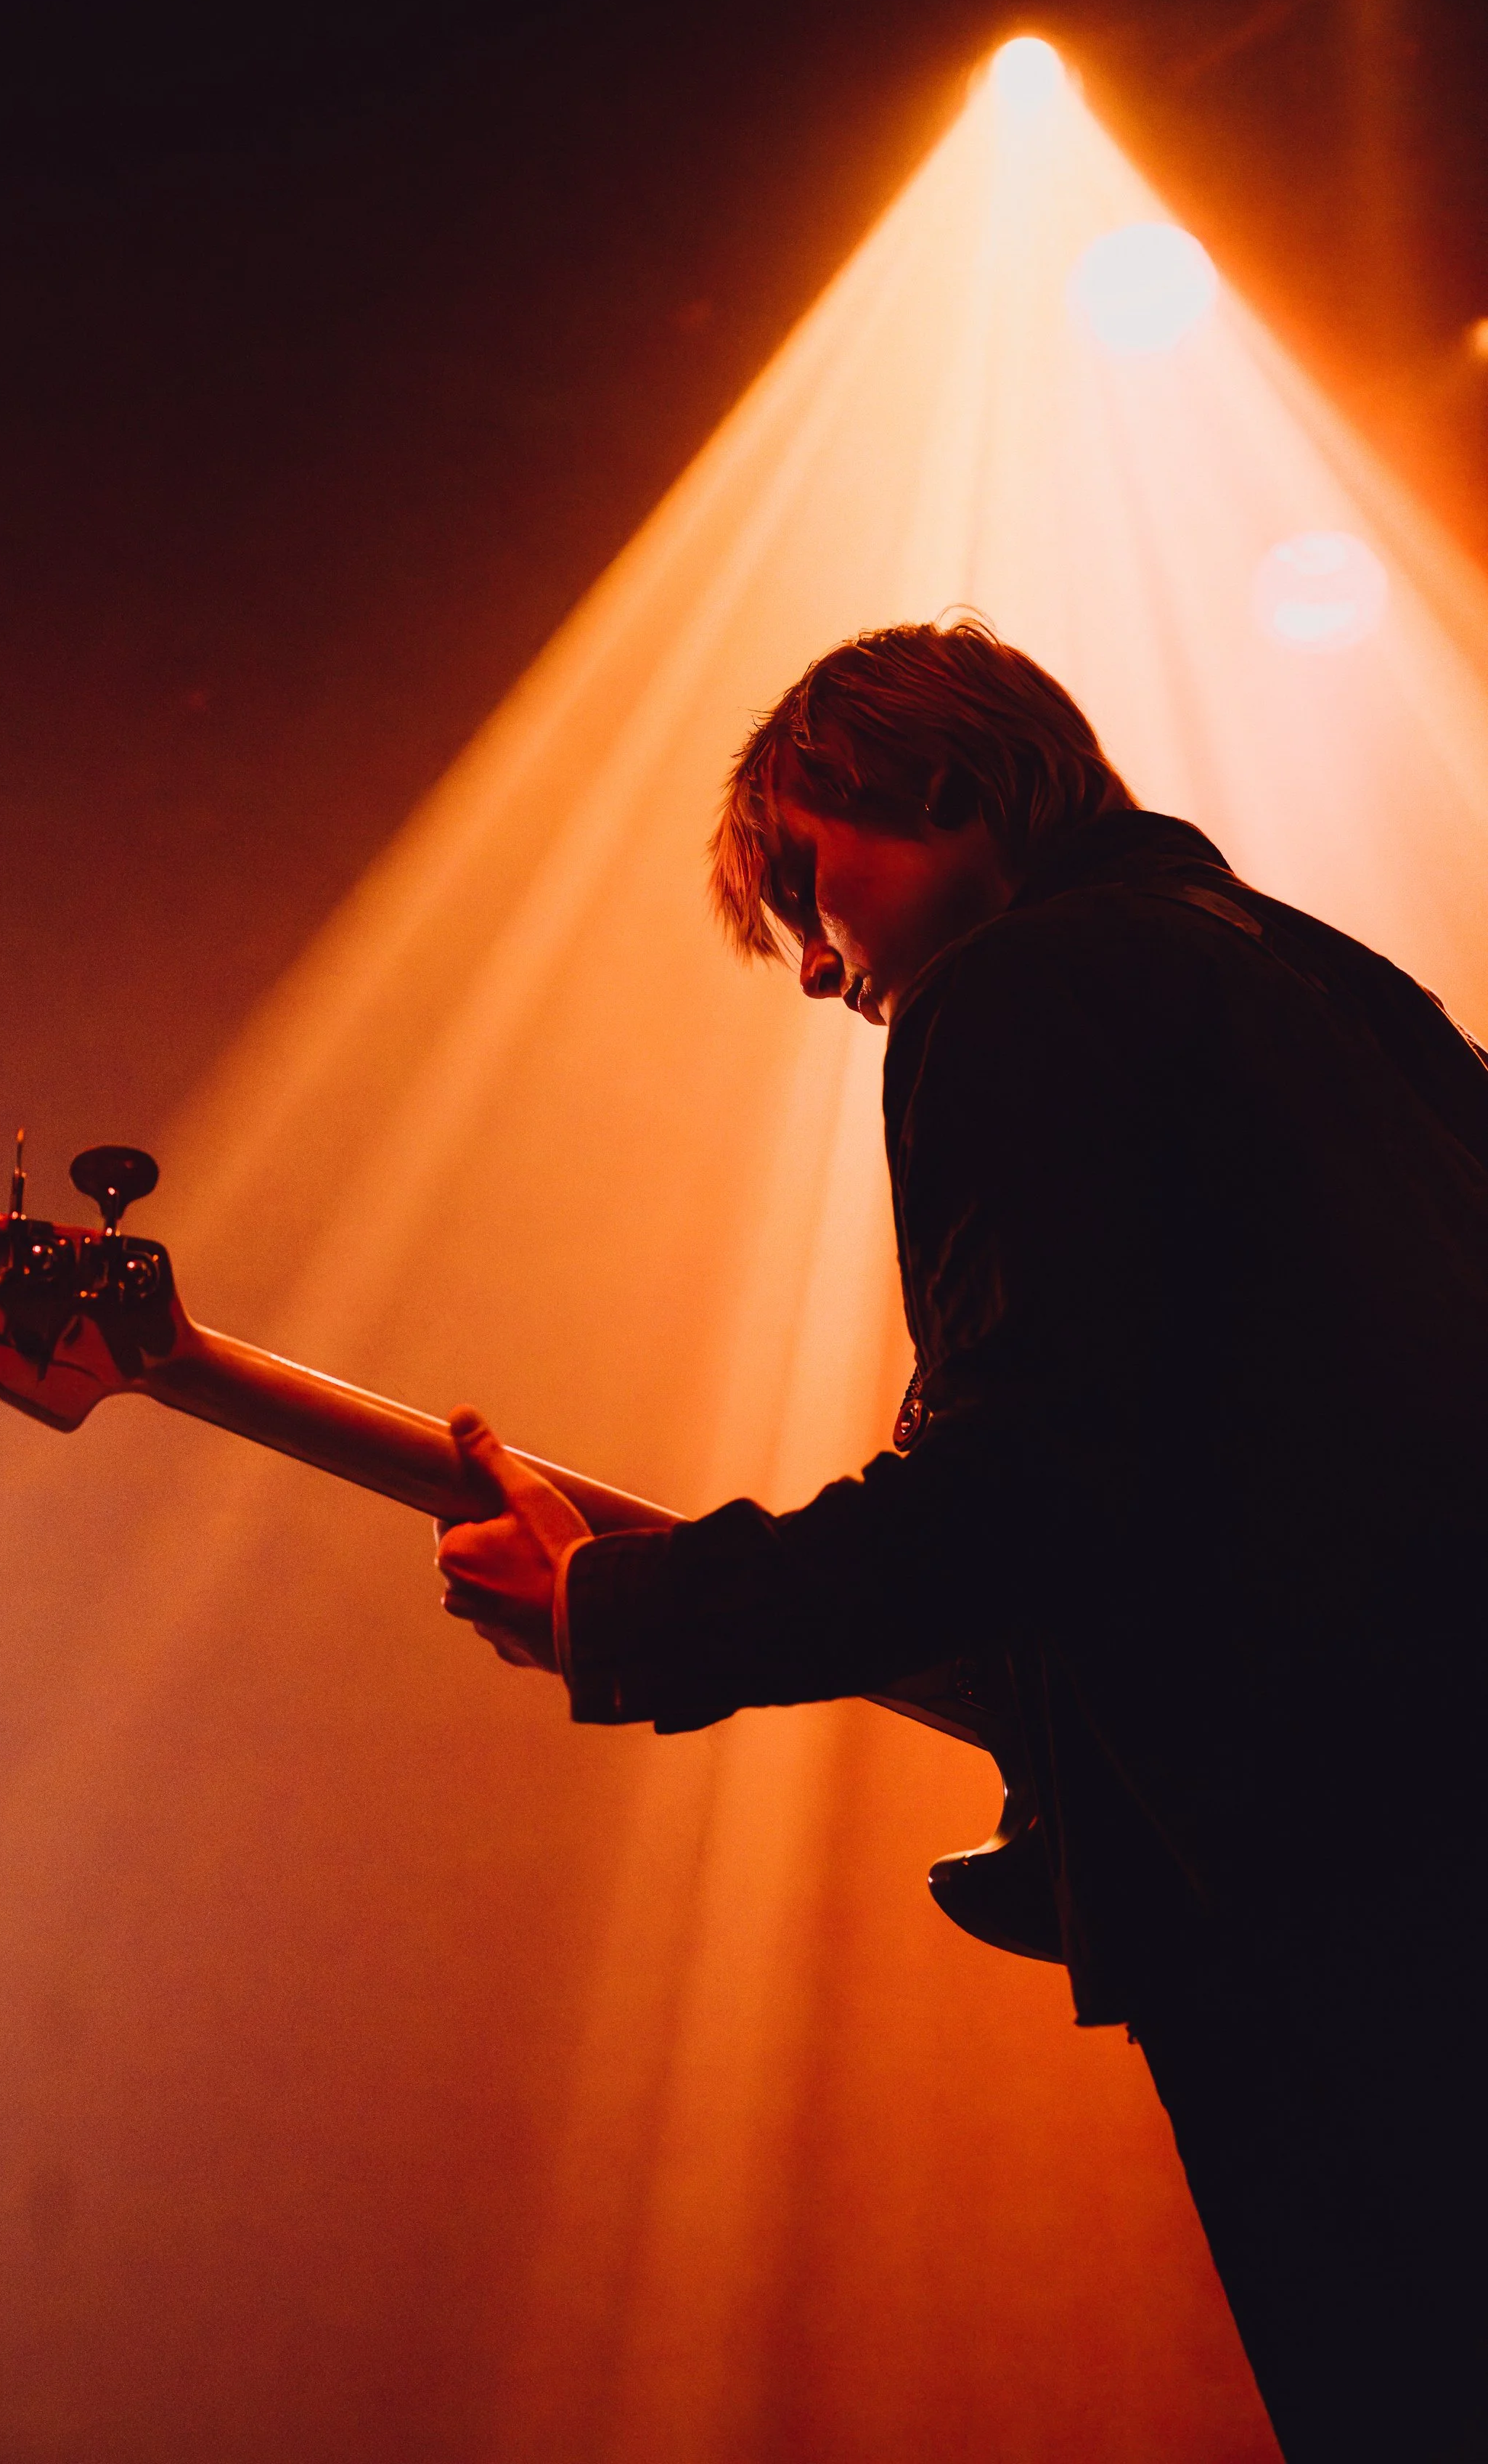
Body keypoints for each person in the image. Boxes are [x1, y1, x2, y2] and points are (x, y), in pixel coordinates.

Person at [435, 618, 1487, 2463]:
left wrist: (620, 1610)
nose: (830, 977)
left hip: (1330, 1901)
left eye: (805, 889)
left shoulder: (1016, 994)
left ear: (921, 786)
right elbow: (1213, 1487)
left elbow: (1034, 1495)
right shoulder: (1342, 983)